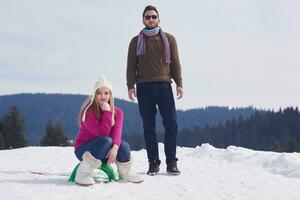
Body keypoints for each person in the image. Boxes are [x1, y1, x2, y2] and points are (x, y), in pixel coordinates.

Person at [126, 5, 183, 175]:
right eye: (147, 17)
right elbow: (131, 66)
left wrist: (179, 83)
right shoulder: (136, 41)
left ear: (158, 19)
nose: (151, 19)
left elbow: (175, 63)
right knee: (149, 127)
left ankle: (171, 162)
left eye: (153, 16)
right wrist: (131, 85)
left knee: (171, 124)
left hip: (165, 86)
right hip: (144, 87)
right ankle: (153, 163)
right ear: (143, 20)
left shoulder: (169, 39)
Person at [73, 76, 143, 186]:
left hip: (105, 149)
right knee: (106, 140)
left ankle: (126, 173)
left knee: (123, 145)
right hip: (84, 150)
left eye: (106, 93)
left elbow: (117, 133)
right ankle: (83, 174)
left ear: (111, 95)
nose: (103, 96)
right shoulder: (89, 112)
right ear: (95, 95)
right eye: (99, 93)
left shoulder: (118, 112)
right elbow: (103, 134)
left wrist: (115, 148)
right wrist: (107, 112)